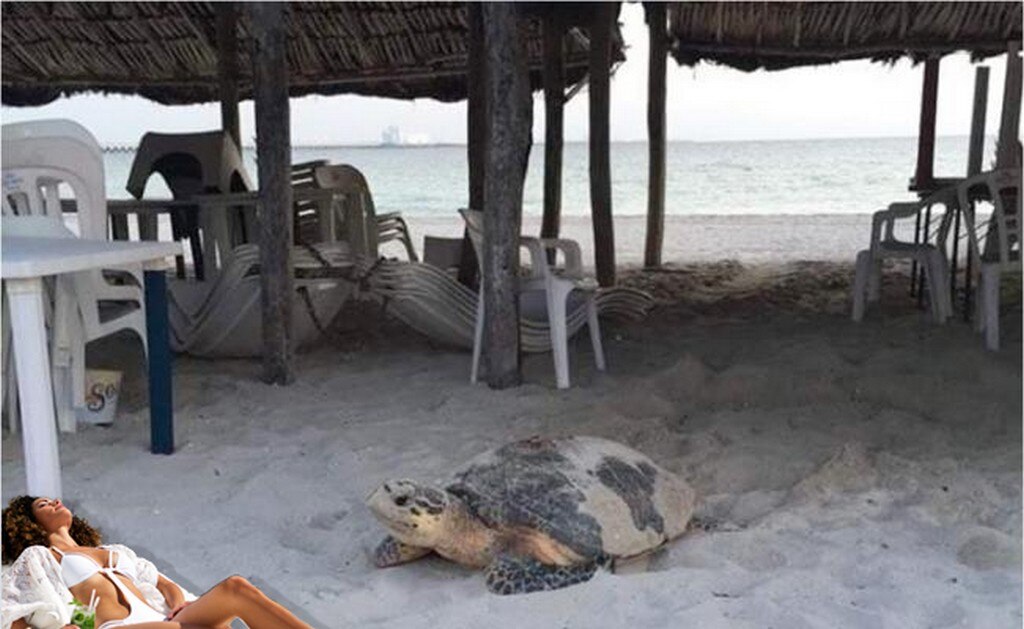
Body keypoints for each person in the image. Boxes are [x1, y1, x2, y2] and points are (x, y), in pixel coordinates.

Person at [2, 496, 311, 629]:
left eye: (54, 499)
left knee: (236, 589)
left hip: (165, 620)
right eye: (43, 504)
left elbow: (164, 584)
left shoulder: (114, 550)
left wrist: (178, 603)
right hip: (116, 626)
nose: (55, 502)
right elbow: (12, 612)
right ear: (28, 524)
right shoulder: (40, 558)